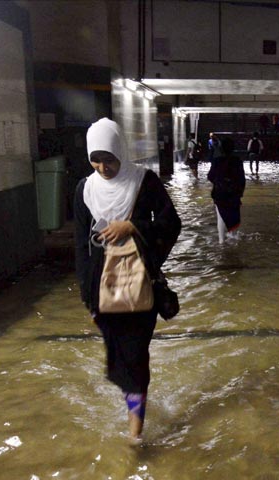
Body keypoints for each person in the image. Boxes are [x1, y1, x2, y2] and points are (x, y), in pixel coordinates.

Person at [74, 118, 181, 444]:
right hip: (102, 290)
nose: (103, 167)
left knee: (135, 356)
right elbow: (81, 246)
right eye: (96, 159)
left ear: (121, 151)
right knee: (119, 359)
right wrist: (88, 297)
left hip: (138, 286)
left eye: (110, 158)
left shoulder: (144, 182)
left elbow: (171, 223)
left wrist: (133, 227)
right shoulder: (85, 190)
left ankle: (135, 430)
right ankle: (135, 407)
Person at [207, 137, 246, 243]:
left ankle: (221, 241)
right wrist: (240, 192)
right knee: (234, 215)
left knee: (220, 216)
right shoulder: (237, 161)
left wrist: (218, 182)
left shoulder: (217, 161)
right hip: (234, 194)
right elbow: (241, 178)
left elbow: (210, 176)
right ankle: (234, 236)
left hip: (219, 194)